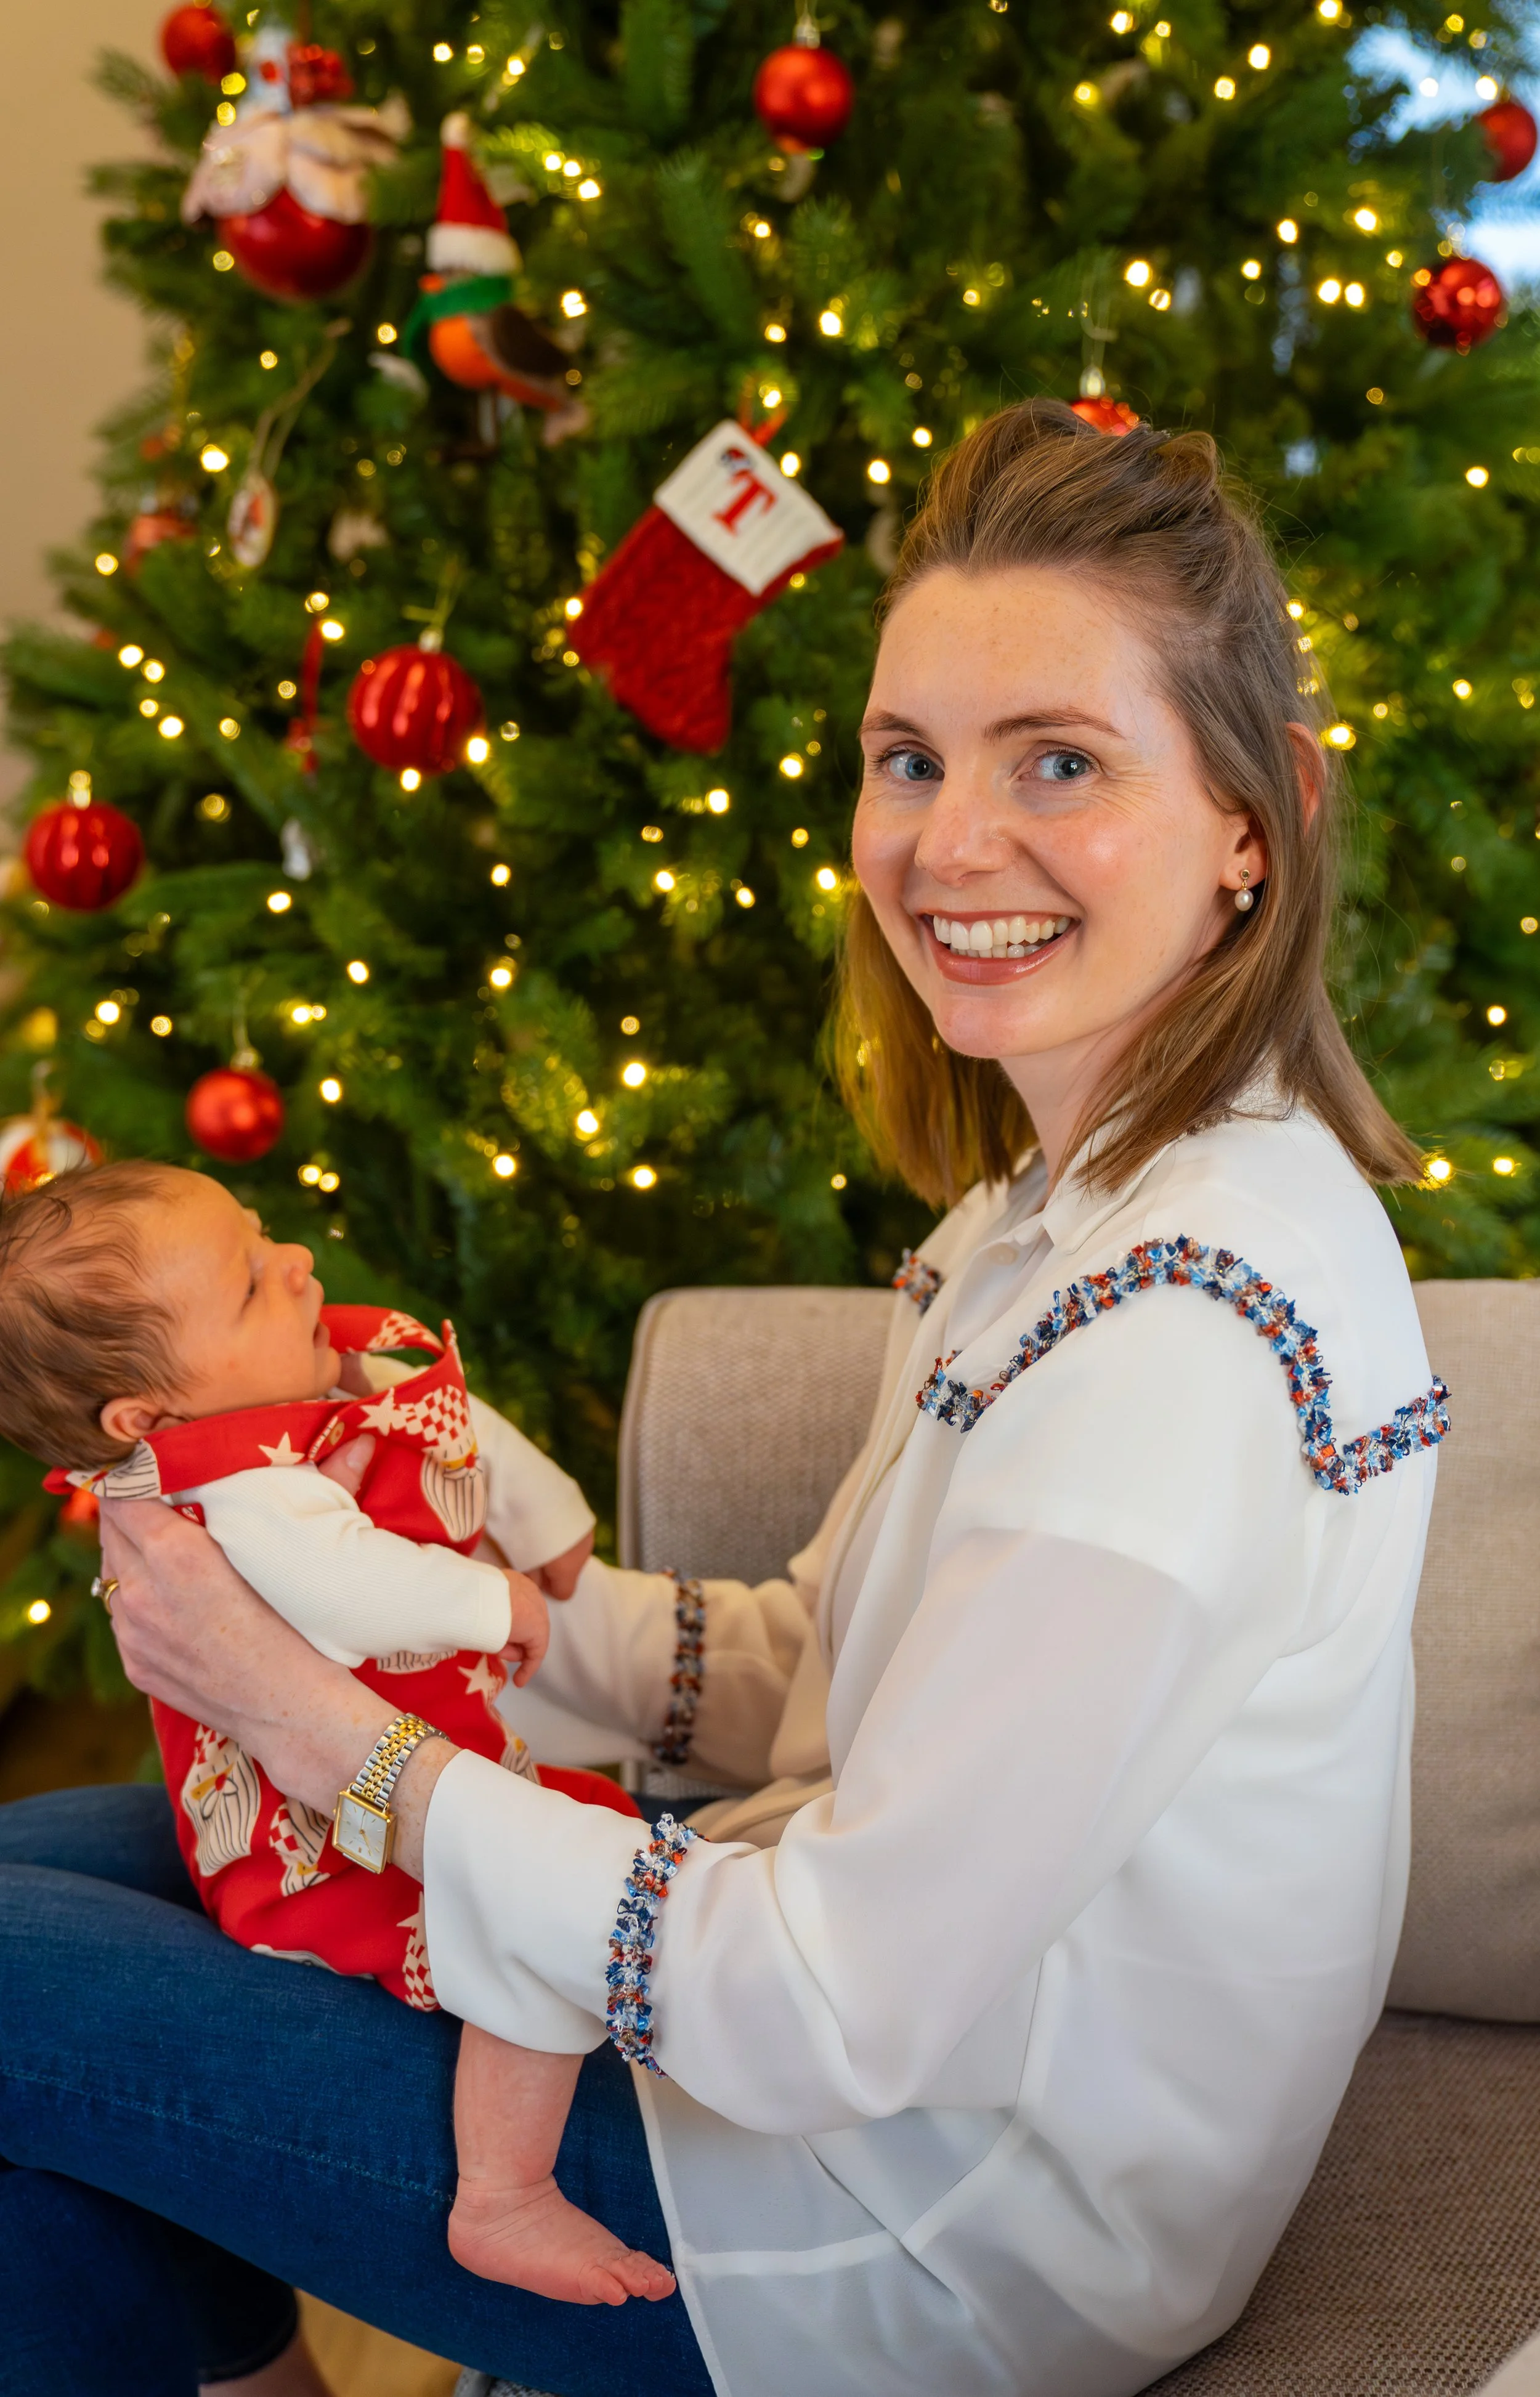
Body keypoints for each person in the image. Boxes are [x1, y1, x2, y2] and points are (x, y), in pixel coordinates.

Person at [0, 400, 1447, 2397]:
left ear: (1248, 827)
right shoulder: (1065, 1214)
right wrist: (516, 1617)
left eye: (1060, 762)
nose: (953, 842)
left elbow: (838, 2008)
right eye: (908, 759)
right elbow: (827, 1675)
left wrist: (316, 1723)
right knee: (49, 1873)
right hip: (888, 2068)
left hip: (924, 2231)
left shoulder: (1175, 1350)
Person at [0, 1159, 676, 2310]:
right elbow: (353, 1588)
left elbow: (453, 1418)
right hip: (327, 1841)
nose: (299, 1261)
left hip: (390, 1774)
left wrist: (549, 1520)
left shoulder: (296, 1386)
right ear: (147, 1415)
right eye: (256, 1283)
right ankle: (503, 2191)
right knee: (534, 1925)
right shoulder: (243, 1486)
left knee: (556, 1866)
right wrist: (495, 1600)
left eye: (266, 1239)